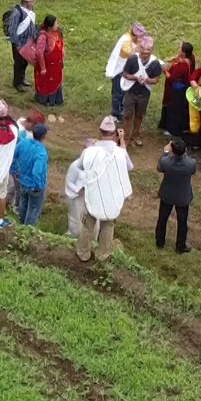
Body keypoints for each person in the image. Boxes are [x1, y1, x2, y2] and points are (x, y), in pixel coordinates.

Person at [68, 117, 135, 262]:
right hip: (111, 194)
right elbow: (129, 166)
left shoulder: (89, 151)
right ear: (115, 134)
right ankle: (103, 255)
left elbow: (79, 166)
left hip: (94, 192)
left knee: (88, 224)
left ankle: (83, 252)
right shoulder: (120, 153)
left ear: (100, 132)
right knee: (108, 225)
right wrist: (122, 142)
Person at [118, 36, 165, 149]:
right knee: (127, 116)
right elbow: (125, 74)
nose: (144, 55)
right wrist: (135, 78)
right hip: (131, 92)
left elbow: (156, 79)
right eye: (142, 53)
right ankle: (125, 138)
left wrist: (147, 80)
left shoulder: (155, 63)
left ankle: (136, 135)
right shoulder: (132, 59)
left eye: (147, 53)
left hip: (144, 94)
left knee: (139, 116)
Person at [154, 139, 198, 252]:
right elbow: (193, 170)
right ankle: (180, 246)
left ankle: (160, 242)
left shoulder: (166, 162)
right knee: (182, 222)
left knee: (162, 219)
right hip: (183, 196)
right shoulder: (191, 163)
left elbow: (159, 167)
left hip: (167, 194)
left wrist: (165, 152)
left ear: (172, 150)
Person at [103, 23, 146, 119]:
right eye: (140, 37)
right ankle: (115, 114)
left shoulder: (130, 39)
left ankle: (121, 110)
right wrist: (139, 47)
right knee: (118, 93)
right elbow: (132, 54)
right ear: (135, 36)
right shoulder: (126, 41)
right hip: (118, 72)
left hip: (124, 71)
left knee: (123, 92)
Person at [12, 121, 50, 228]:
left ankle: (20, 228)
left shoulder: (24, 143)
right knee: (33, 210)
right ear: (43, 137)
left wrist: (15, 171)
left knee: (23, 205)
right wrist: (37, 186)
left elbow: (13, 156)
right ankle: (28, 231)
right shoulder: (41, 152)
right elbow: (37, 171)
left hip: (23, 181)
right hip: (35, 186)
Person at [159, 43, 196, 141]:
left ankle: (172, 129)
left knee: (174, 110)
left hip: (177, 90)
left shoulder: (183, 66)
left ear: (184, 52)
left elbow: (172, 78)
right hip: (181, 89)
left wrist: (164, 70)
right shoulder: (190, 60)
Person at [28, 15, 66, 107]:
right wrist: (43, 68)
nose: (58, 25)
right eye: (56, 24)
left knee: (56, 82)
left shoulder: (57, 32)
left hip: (56, 66)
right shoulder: (43, 37)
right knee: (47, 84)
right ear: (49, 27)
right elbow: (39, 53)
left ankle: (56, 100)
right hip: (47, 68)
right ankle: (46, 100)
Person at [4, 0, 38, 91]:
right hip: (19, 43)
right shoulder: (17, 13)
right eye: (31, 1)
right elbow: (12, 30)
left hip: (27, 42)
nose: (33, 3)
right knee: (19, 63)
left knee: (24, 62)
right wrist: (16, 44)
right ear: (26, 2)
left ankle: (22, 79)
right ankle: (17, 82)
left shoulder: (30, 12)